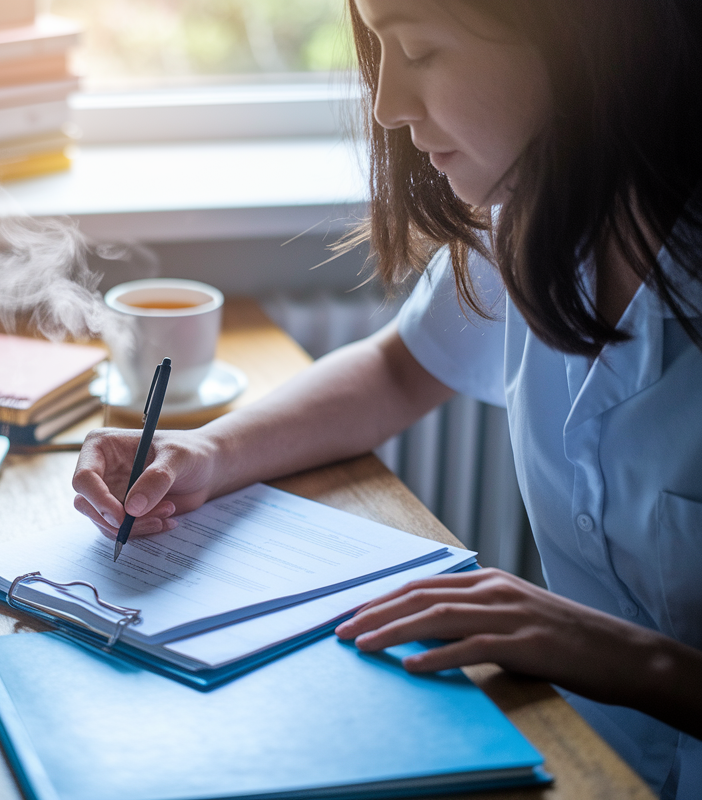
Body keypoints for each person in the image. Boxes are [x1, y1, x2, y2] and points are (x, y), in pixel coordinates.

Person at [70, 0, 702, 795]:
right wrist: (206, 452)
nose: (386, 106)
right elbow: (400, 369)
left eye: (423, 51)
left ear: (576, 40)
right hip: (567, 750)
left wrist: (637, 660)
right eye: (378, 50)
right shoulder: (540, 212)